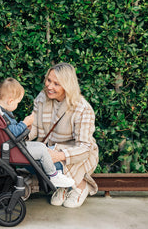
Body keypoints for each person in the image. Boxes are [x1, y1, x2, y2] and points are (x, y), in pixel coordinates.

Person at [28, 62, 98, 208]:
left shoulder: (83, 109)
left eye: (56, 84)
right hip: (49, 149)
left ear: (67, 86)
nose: (49, 86)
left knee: (44, 161)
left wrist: (58, 156)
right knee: (26, 157)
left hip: (75, 153)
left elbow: (85, 147)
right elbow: (33, 127)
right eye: (48, 80)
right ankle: (64, 186)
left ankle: (81, 185)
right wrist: (18, 138)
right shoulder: (42, 97)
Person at [0, 78, 75, 188]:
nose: (17, 105)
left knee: (42, 146)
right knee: (42, 151)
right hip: (14, 149)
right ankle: (54, 175)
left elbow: (10, 131)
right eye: (17, 102)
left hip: (12, 146)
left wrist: (24, 127)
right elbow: (13, 132)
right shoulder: (3, 115)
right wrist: (24, 123)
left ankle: (53, 169)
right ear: (10, 101)